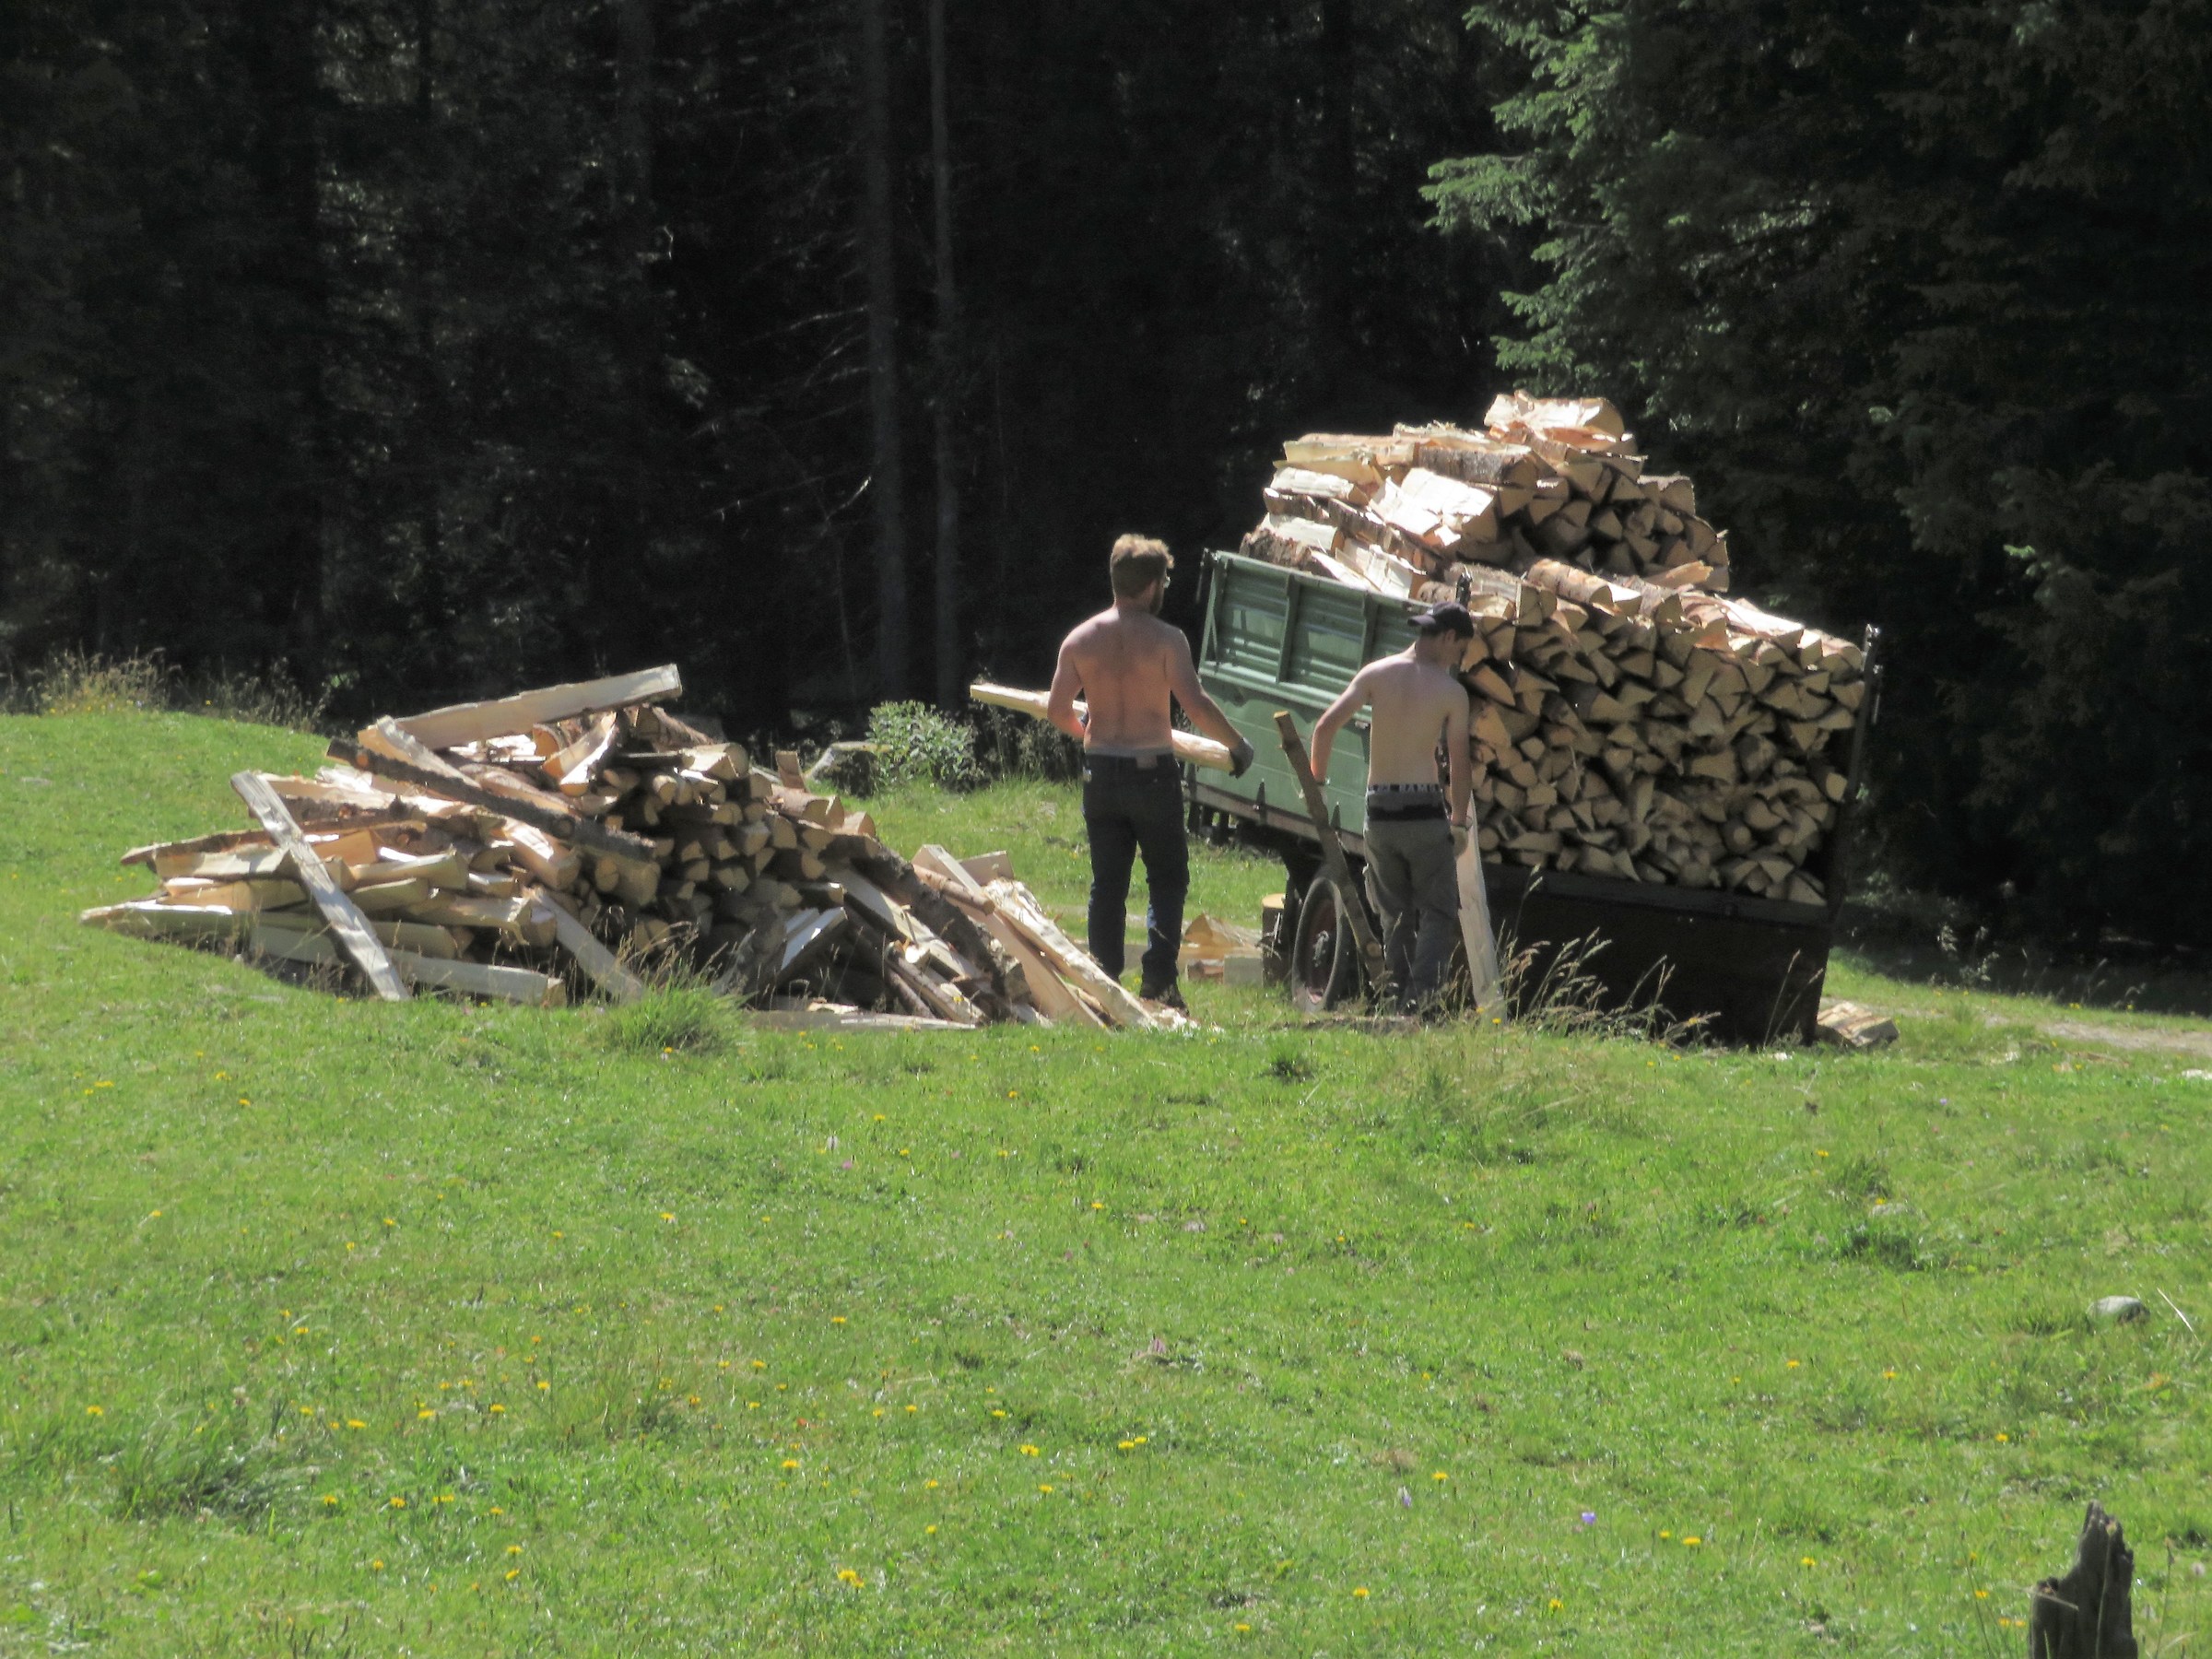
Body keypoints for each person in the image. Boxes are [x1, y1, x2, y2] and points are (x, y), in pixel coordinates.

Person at [1047, 535, 1254, 1008]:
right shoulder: (1166, 639)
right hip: (1151, 775)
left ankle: (1102, 980)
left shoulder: (1080, 639)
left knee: (1108, 882)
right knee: (1166, 877)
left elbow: (1058, 708)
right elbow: (1195, 703)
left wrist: (1088, 733)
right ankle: (1159, 982)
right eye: (1164, 579)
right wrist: (1237, 746)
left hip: (1101, 772)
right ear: (1152, 585)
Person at [1308, 601, 1475, 1012]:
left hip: (1379, 812)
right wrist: (1458, 822)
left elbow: (1325, 727)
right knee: (1436, 911)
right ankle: (1420, 1002)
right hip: (1423, 811)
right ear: (1449, 637)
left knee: (1393, 914)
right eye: (1460, 648)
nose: (1458, 658)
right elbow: (1459, 762)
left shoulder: (1376, 674)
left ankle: (1396, 999)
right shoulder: (1451, 692)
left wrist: (1317, 785)